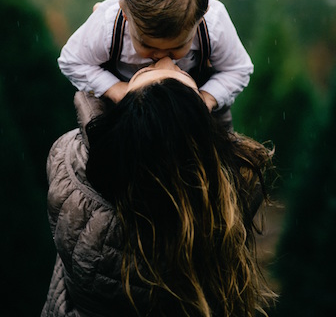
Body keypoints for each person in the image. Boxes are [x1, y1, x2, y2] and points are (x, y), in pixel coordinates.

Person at [42, 57, 275, 317]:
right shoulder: (217, 218)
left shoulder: (77, 193)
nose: (165, 59)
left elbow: (73, 150)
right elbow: (210, 154)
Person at [58, 0, 254, 129]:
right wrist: (115, 89)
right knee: (97, 138)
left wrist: (207, 98)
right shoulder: (108, 24)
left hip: (196, 115)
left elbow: (238, 69)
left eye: (176, 48)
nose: (161, 57)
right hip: (125, 113)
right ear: (125, 12)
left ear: (201, 17)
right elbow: (72, 60)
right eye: (146, 45)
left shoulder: (214, 25)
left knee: (224, 153)